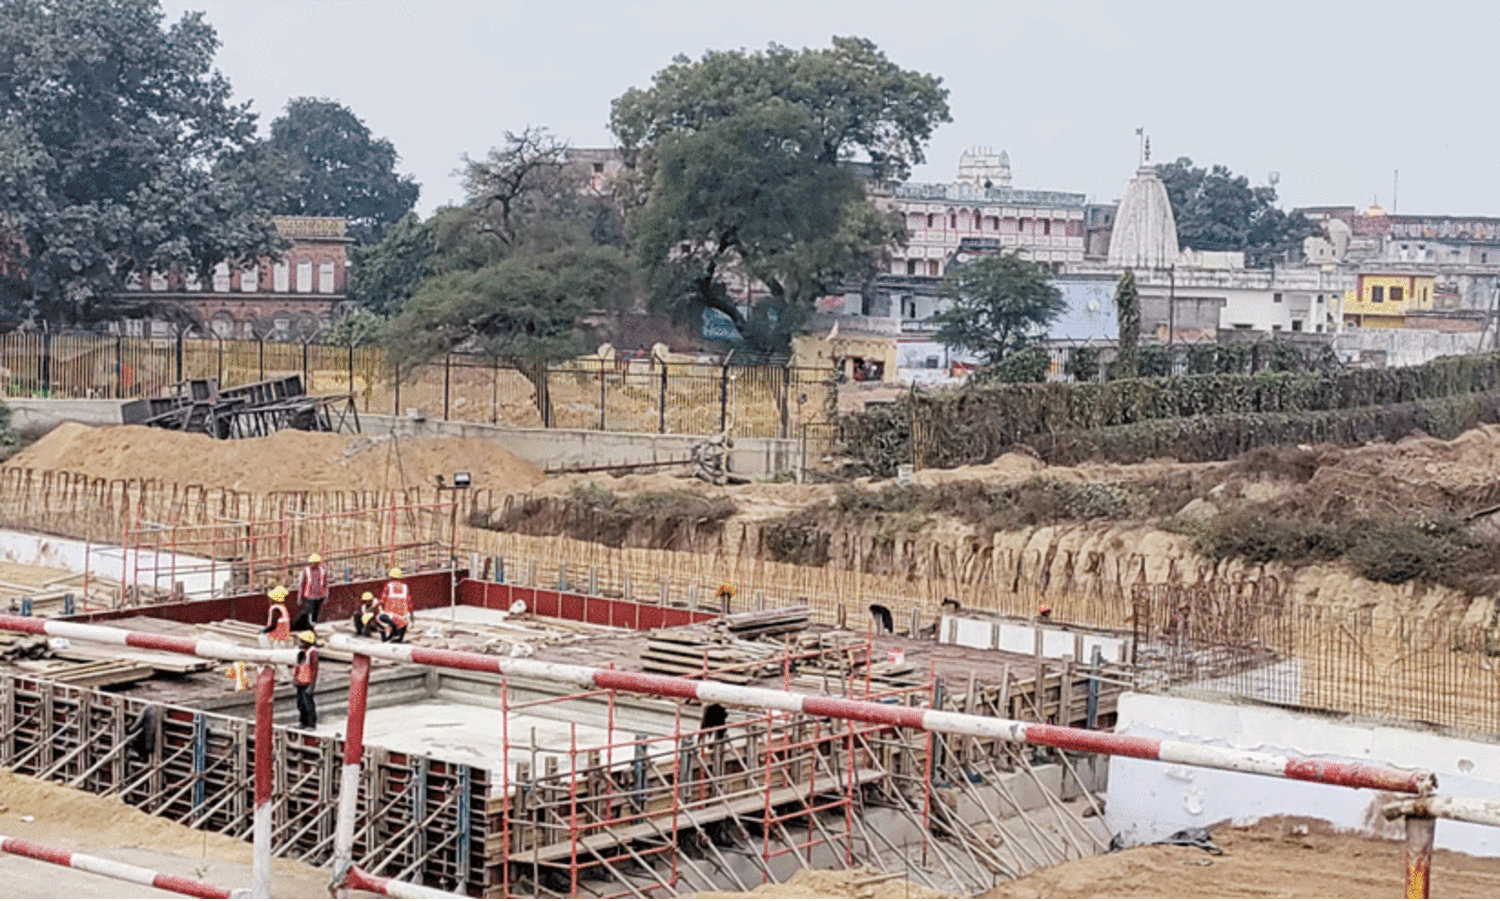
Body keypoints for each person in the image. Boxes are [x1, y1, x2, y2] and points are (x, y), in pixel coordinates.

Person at [292, 630, 320, 730]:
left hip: (307, 682)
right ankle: (302, 722)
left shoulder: (312, 652)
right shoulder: (301, 651)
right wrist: (295, 678)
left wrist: (312, 685)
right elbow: (297, 665)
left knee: (308, 704)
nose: (300, 643)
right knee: (300, 704)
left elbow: (314, 669)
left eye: (302, 641)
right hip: (300, 681)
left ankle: (311, 724)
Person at [379, 567, 411, 643]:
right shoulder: (405, 587)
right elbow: (409, 602)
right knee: (405, 620)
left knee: (380, 617)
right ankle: (400, 637)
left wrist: (376, 605)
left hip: (391, 616)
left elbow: (382, 600)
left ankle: (390, 634)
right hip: (403, 618)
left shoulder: (388, 586)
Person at [298, 553, 329, 626]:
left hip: (319, 596)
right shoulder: (306, 571)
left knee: (316, 612)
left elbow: (325, 584)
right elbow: (302, 584)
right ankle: (309, 625)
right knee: (309, 612)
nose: (312, 564)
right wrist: (300, 596)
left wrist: (325, 596)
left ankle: (313, 625)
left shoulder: (322, 571)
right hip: (309, 596)